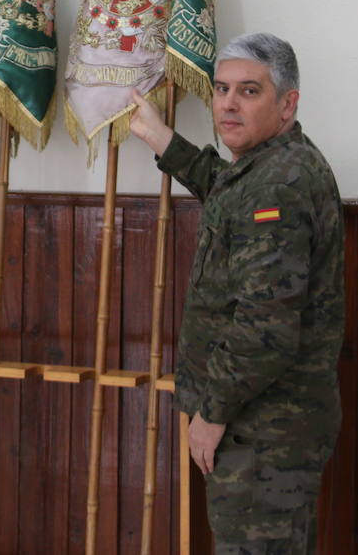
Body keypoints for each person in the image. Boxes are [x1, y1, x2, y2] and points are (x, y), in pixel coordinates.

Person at [128, 32, 344, 554]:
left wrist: (212, 413)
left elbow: (264, 326)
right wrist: (165, 142)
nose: (227, 103)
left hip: (261, 426)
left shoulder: (277, 184)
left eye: (248, 91)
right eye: (221, 89)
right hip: (269, 423)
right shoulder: (271, 166)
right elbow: (230, 193)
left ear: (287, 103)